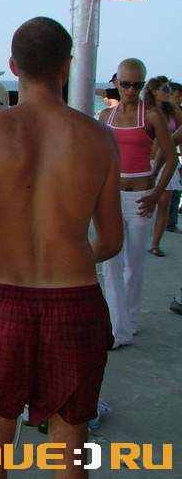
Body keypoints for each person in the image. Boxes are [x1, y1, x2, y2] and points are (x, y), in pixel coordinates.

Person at [0, 16, 124, 479]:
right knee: (70, 448)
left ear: (12, 66)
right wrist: (71, 254)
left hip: (6, 303)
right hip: (76, 303)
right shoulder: (100, 137)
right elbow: (110, 239)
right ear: (67, 66)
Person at [98, 59, 176, 349]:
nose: (131, 90)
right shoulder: (106, 116)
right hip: (112, 197)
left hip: (141, 198)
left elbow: (171, 157)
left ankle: (128, 322)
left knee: (134, 264)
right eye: (126, 84)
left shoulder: (152, 116)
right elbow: (98, 158)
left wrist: (155, 192)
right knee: (111, 265)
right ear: (116, 83)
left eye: (137, 85)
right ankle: (117, 328)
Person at [144, 77, 182, 257]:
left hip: (167, 160)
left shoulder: (173, 109)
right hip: (145, 161)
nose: (169, 93)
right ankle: (142, 237)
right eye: (165, 89)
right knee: (144, 203)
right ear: (154, 91)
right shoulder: (145, 110)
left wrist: (173, 141)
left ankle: (155, 244)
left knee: (164, 204)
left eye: (169, 89)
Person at [166, 82, 182, 233]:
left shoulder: (176, 112)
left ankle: (170, 222)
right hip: (164, 157)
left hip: (171, 157)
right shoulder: (161, 113)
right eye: (177, 96)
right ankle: (170, 223)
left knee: (174, 191)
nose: (179, 100)